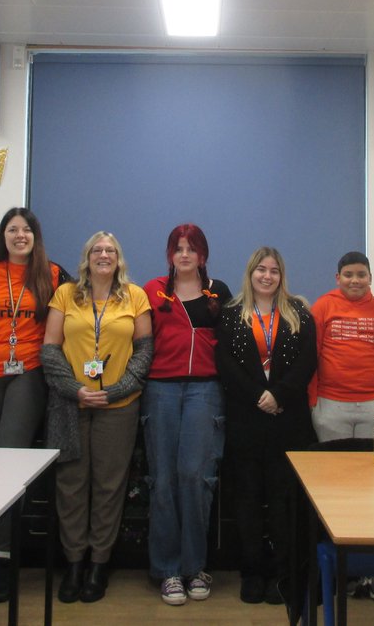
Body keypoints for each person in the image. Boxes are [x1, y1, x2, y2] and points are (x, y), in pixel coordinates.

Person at [0, 208, 71, 604]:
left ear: (35, 236)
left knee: (9, 464)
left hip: (29, 372)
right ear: (3, 235)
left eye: (26, 229)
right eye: (13, 229)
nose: (20, 235)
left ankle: (5, 554)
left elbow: (90, 303)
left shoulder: (54, 275)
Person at [41, 232, 153, 605]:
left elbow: (144, 352)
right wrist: (76, 389)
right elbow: (50, 349)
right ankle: (73, 563)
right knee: (71, 485)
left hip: (118, 407)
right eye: (96, 250)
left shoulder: (135, 297)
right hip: (71, 405)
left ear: (119, 259)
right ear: (87, 258)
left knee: (109, 486)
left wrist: (117, 389)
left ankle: (98, 564)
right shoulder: (65, 294)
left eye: (110, 250)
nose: (103, 255)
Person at [215, 247, 316, 607]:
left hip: (288, 421)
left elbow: (307, 363)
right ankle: (252, 572)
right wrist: (260, 395)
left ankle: (282, 574)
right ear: (251, 273)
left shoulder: (298, 313)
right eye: (261, 269)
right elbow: (225, 364)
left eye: (274, 270)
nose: (267, 276)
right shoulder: (230, 315)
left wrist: (278, 395)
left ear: (281, 276)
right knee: (247, 500)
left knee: (283, 500)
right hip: (246, 418)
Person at [141, 224, 231, 606]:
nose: (184, 254)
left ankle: (195, 566)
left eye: (191, 248)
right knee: (163, 480)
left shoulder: (219, 293)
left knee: (195, 477)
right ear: (169, 253)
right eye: (178, 248)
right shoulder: (152, 290)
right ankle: (167, 570)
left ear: (203, 254)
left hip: (205, 391)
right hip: (160, 389)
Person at [309, 251, 374, 441]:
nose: (355, 280)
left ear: (370, 278)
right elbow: (311, 356)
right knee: (335, 467)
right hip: (330, 403)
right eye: (348, 275)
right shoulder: (322, 306)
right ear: (338, 278)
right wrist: (312, 400)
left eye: (361, 275)